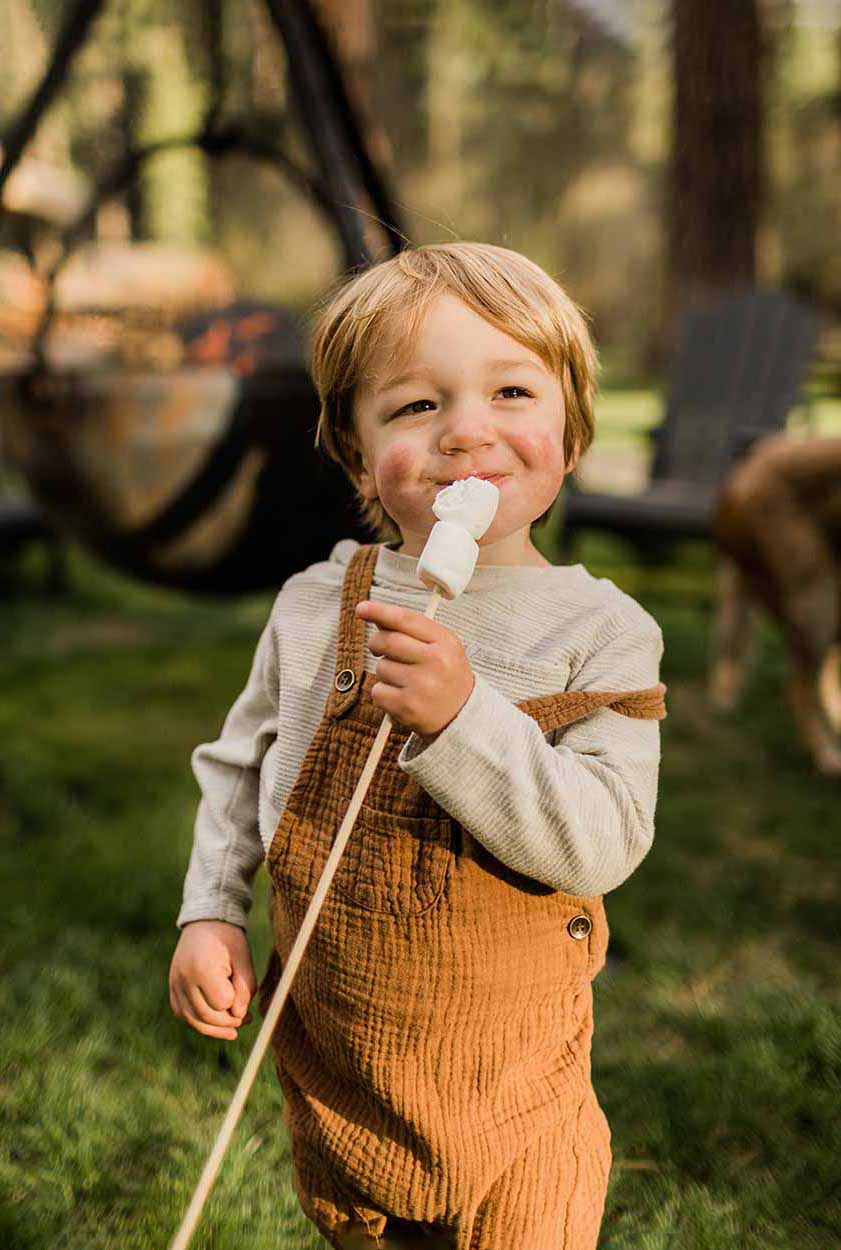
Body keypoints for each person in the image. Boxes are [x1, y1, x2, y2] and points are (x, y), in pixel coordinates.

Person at [169, 241, 666, 1250]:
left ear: (569, 433)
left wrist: (462, 716)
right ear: (356, 456)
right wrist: (210, 910)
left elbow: (603, 841)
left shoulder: (599, 631)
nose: (467, 433)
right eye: (415, 406)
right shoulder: (317, 603)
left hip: (514, 1085)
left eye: (512, 390)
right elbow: (237, 766)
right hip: (350, 1067)